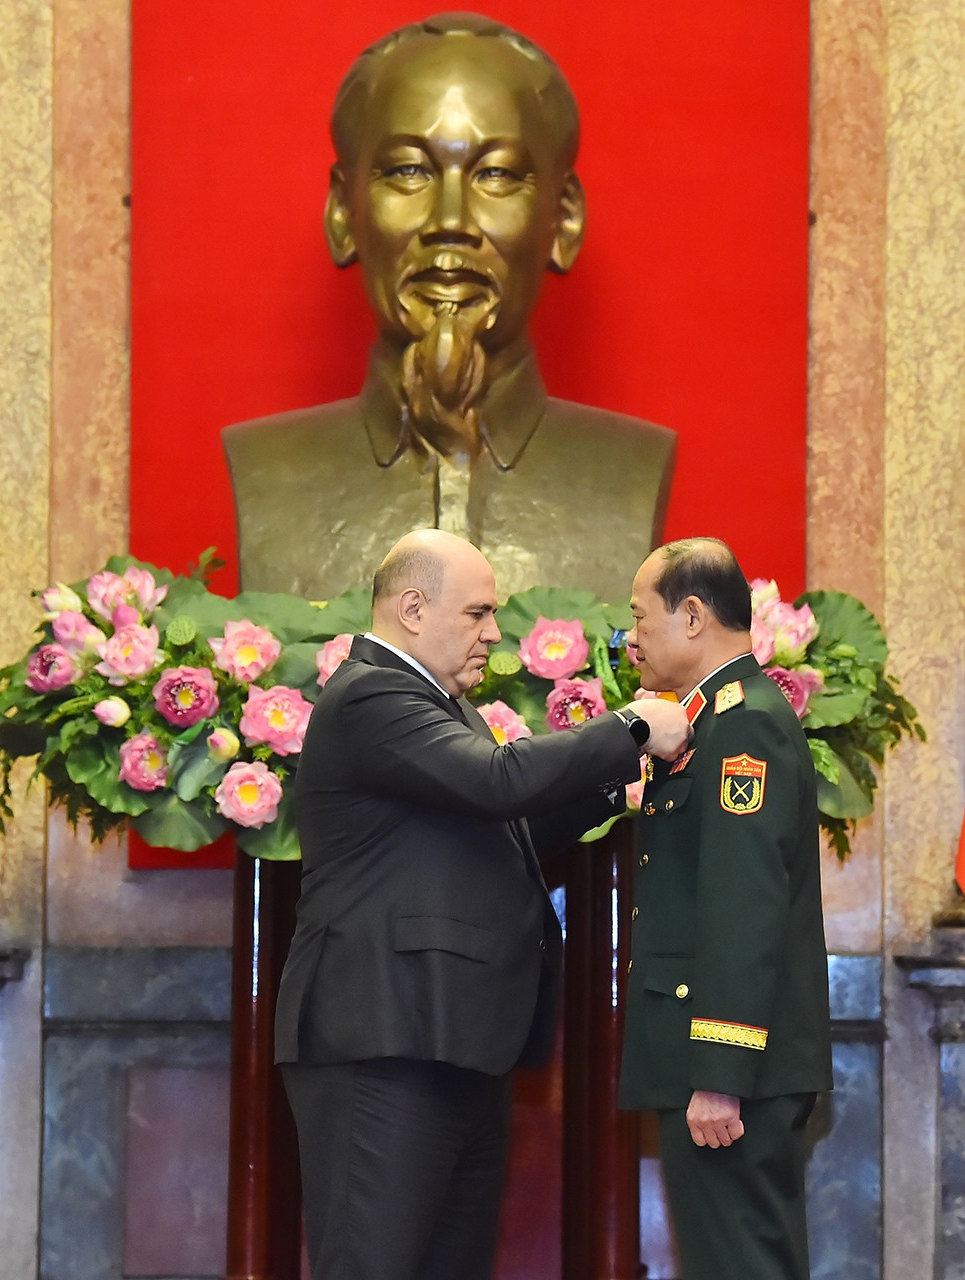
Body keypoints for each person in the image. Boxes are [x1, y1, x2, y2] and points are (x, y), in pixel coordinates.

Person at [277, 529, 689, 1280]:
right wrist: (631, 728)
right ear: (411, 608)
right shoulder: (371, 693)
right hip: (383, 1038)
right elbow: (496, 780)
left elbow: (508, 826)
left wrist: (610, 788)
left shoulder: (437, 704)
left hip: (448, 1038)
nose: (494, 633)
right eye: (477, 613)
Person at [223, 13, 674, 601]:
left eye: (497, 174)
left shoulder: (630, 473)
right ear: (342, 212)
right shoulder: (269, 471)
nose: (451, 222)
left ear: (563, 219)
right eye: (409, 171)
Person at [618, 537, 831, 1280]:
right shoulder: (712, 721)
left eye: (640, 619)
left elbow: (745, 904)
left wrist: (719, 1069)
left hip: (729, 1068)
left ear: (695, 615)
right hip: (719, 1061)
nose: (631, 638)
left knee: (741, 1263)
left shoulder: (743, 724)